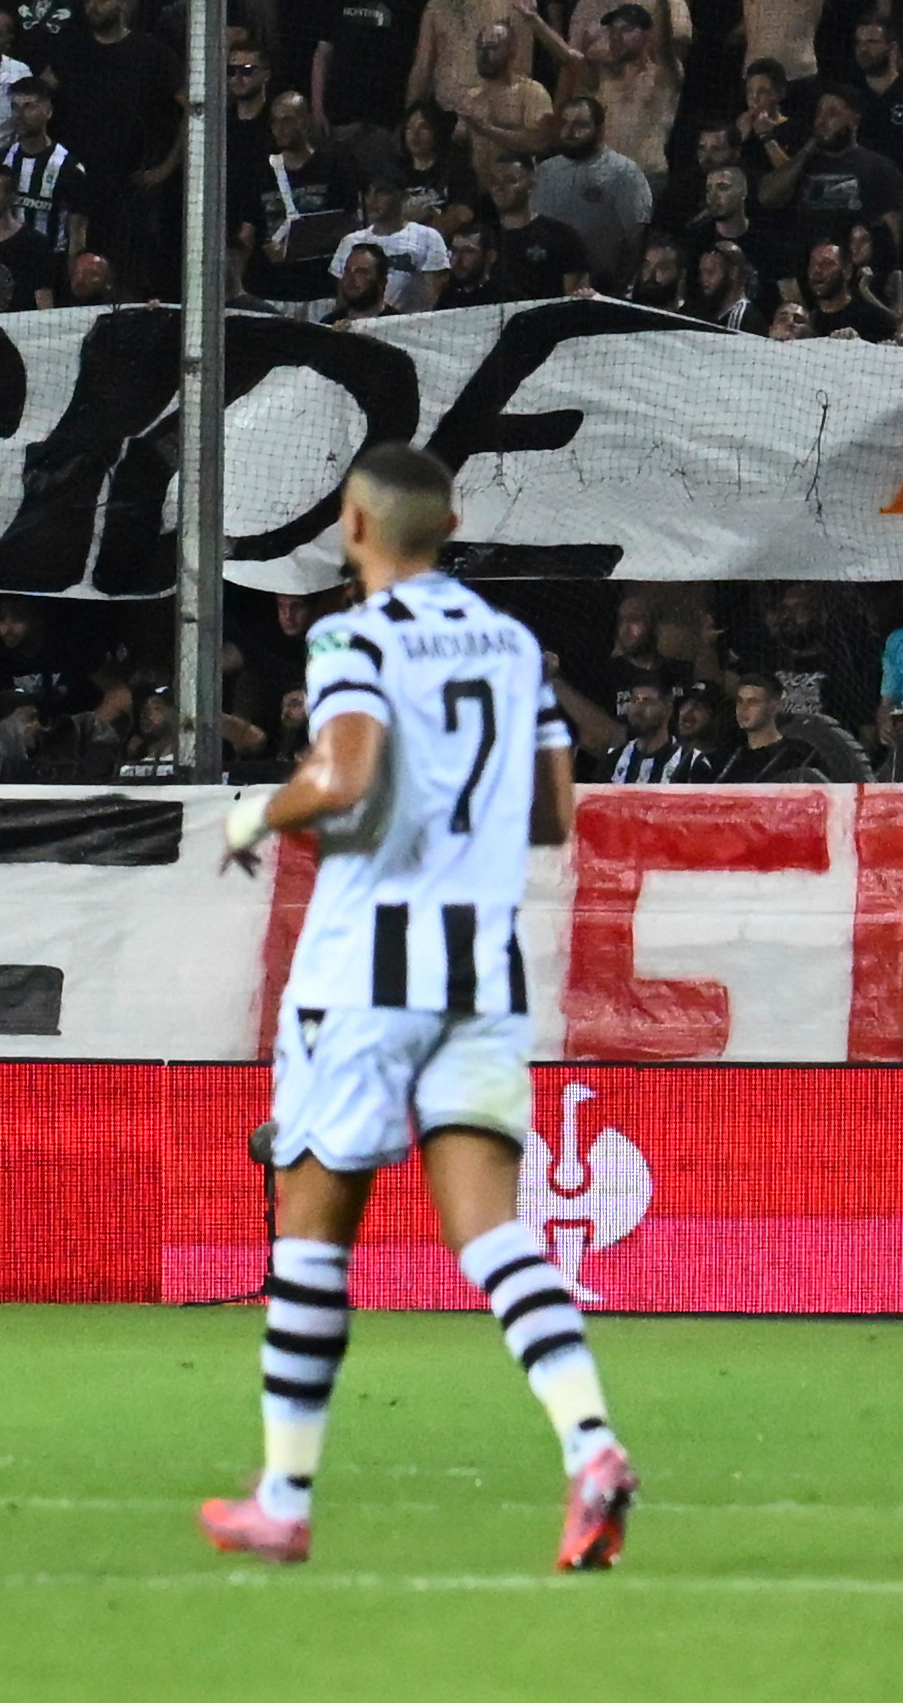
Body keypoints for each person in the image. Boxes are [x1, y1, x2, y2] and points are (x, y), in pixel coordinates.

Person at [202, 442, 630, 1572]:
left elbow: (342, 776)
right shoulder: (514, 644)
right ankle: (590, 1445)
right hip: (480, 970)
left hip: (366, 971)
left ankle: (284, 1501)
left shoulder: (355, 639)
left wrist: (258, 821)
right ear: (449, 526)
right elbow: (548, 814)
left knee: (313, 1230)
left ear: (354, 525)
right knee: (493, 1231)